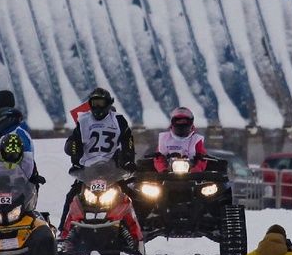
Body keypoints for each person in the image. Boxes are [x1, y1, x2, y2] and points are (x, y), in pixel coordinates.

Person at [61, 87, 136, 227]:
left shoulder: (118, 120)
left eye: (101, 103)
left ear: (108, 103)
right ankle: (64, 232)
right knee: (72, 197)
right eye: (94, 103)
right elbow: (75, 141)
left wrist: (128, 161)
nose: (98, 107)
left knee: (130, 196)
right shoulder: (83, 121)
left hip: (112, 167)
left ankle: (136, 231)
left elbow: (128, 141)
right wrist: (75, 159)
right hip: (88, 169)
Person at [150, 106, 208, 172]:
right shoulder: (164, 138)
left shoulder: (196, 140)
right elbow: (159, 158)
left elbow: (203, 158)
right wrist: (163, 170)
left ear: (190, 123)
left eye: (184, 122)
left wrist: (196, 170)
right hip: (168, 173)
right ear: (173, 122)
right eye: (178, 121)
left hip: (192, 174)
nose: (181, 124)